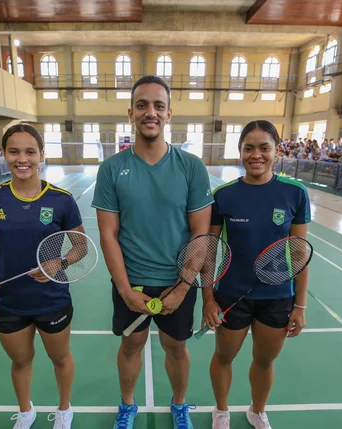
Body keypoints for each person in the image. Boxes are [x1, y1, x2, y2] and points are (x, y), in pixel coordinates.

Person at [91, 75, 213, 429]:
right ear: (130, 113)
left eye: (158, 105)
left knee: (177, 349)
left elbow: (200, 233)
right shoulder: (112, 169)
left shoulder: (191, 167)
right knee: (131, 347)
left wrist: (183, 286)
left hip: (178, 280)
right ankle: (127, 406)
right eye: (142, 105)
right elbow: (109, 235)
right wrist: (126, 290)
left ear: (169, 114)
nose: (150, 112)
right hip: (133, 281)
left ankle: (179, 405)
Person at [0, 124, 85, 429]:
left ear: (41, 155)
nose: (22, 159)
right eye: (14, 151)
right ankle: (26, 410)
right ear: (4, 154)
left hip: (52, 298)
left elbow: (81, 245)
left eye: (30, 151)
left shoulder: (61, 200)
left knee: (60, 358)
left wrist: (61, 261)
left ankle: (64, 410)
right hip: (9, 301)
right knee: (20, 360)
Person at [202, 120, 311, 429]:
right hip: (232, 294)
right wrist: (208, 299)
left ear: (276, 151)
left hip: (277, 297)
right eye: (248, 148)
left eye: (265, 148)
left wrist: (300, 306)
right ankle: (221, 410)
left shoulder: (295, 193)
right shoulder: (223, 195)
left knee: (265, 360)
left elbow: (299, 254)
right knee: (224, 357)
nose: (256, 155)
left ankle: (256, 410)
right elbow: (210, 251)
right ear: (240, 151)